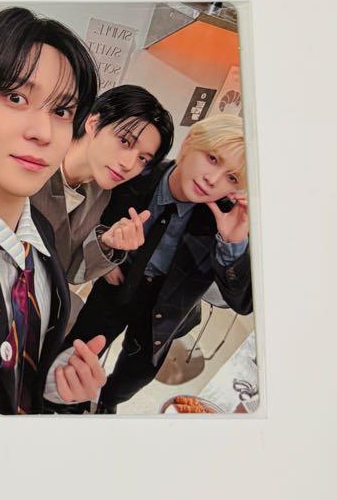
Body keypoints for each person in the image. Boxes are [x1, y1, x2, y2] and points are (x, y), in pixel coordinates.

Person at [65, 113, 253, 412]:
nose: (212, 179)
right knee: (78, 350)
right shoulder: (135, 175)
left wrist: (231, 243)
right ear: (189, 143)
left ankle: (106, 405)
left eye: (231, 178)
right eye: (212, 159)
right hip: (119, 282)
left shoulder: (228, 220)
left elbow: (243, 303)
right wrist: (107, 258)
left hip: (168, 307)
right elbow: (91, 219)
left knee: (135, 374)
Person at [0, 7, 110, 414]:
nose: (43, 132)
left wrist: (55, 387)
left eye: (61, 111)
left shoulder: (41, 234)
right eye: (16, 97)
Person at [31, 84, 174, 286]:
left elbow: (68, 272)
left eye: (142, 158)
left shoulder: (99, 192)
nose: (129, 164)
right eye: (124, 141)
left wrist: (105, 243)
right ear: (93, 123)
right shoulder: (34, 160)